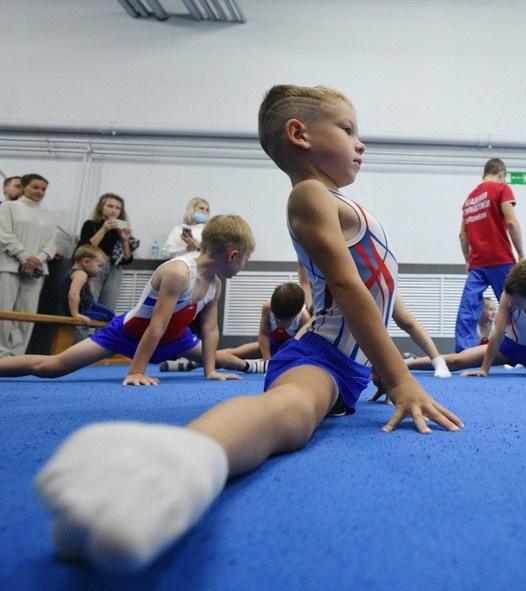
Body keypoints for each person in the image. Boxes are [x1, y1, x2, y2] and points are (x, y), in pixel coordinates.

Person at [33, 84, 462, 573]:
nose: (360, 143)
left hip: (350, 364)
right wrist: (403, 376)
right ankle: (181, 462)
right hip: (320, 355)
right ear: (299, 134)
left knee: (304, 411)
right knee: (292, 412)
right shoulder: (310, 194)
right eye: (348, 130)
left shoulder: (335, 203)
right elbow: (346, 287)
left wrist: (380, 372)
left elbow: (375, 296)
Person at [0, 214, 262, 385]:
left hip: (175, 338)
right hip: (128, 333)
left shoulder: (215, 284)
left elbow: (210, 328)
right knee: (52, 366)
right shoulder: (179, 272)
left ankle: (258, 366)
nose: (244, 266)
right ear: (233, 255)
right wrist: (137, 371)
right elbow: (156, 325)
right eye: (246, 260)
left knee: (220, 358)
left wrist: (210, 371)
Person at [454, 158, 524, 352]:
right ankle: (520, 349)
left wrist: (468, 261)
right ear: (501, 174)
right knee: (514, 306)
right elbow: (512, 223)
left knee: (468, 309)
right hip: (501, 259)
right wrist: (521, 254)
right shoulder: (501, 189)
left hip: (477, 264)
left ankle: (464, 352)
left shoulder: (469, 199)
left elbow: (462, 235)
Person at [163, 281, 310, 371]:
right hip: (269, 345)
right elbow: (264, 335)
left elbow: (299, 345)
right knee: (233, 352)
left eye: (285, 321)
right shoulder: (267, 307)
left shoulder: (304, 317)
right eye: (278, 319)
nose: (281, 325)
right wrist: (267, 358)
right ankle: (189, 364)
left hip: (289, 350)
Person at [0, 174, 58, 357]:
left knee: (27, 315)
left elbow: (51, 244)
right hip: (9, 266)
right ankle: (1, 354)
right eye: (35, 187)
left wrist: (38, 259)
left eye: (43, 189)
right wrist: (24, 257)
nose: (40, 192)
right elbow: (4, 235)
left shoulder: (49, 215)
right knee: (4, 311)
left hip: (36, 270)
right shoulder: (8, 207)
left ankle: (17, 356)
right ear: (23, 187)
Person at [78, 193, 137, 311]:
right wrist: (104, 229)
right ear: (101, 207)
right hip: (93, 264)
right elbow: (85, 248)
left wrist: (125, 240)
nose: (113, 210)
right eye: (110, 206)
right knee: (88, 305)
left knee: (108, 308)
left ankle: (103, 330)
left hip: (114, 268)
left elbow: (127, 259)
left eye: (117, 208)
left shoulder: (120, 229)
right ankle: (82, 329)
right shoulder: (91, 225)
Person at [59, 244, 115, 324]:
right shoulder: (81, 274)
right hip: (84, 309)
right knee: (114, 317)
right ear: (86, 262)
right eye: (99, 266)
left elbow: (89, 296)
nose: (101, 270)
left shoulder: (73, 273)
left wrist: (90, 281)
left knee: (114, 314)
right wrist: (76, 314)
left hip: (86, 307)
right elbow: (73, 294)